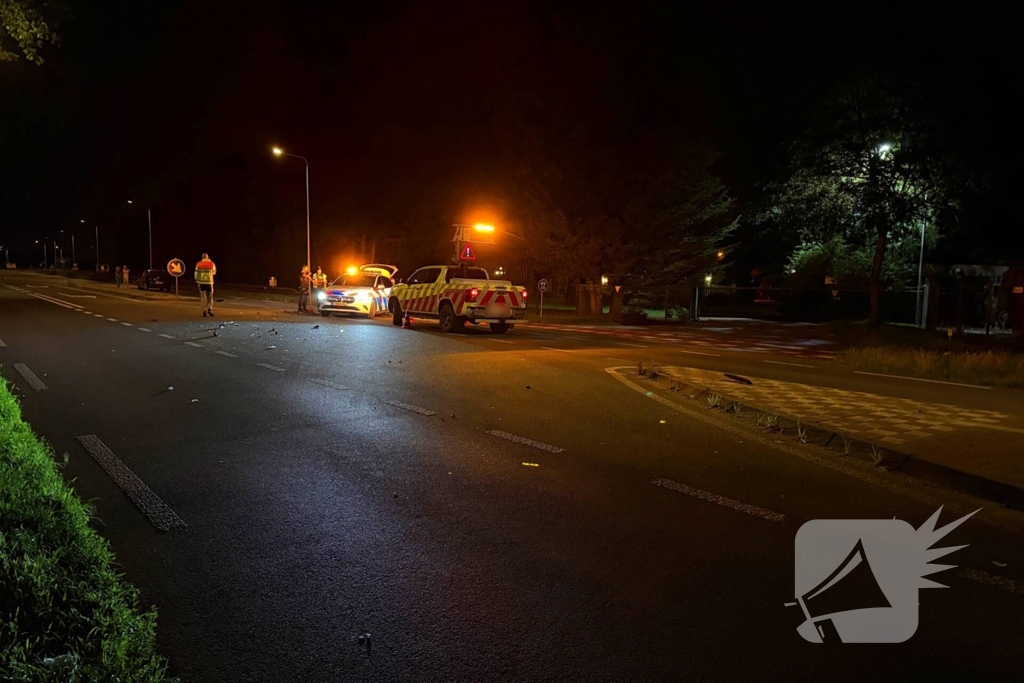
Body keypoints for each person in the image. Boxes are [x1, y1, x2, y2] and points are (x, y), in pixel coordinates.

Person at [195, 253, 217, 317]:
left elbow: (196, 273)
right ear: (207, 257)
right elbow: (214, 272)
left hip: (201, 283)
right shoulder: (211, 263)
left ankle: (204, 310)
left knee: (203, 297)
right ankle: (209, 308)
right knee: (210, 297)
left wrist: (197, 280)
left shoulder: (198, 264)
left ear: (202, 257)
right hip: (209, 282)